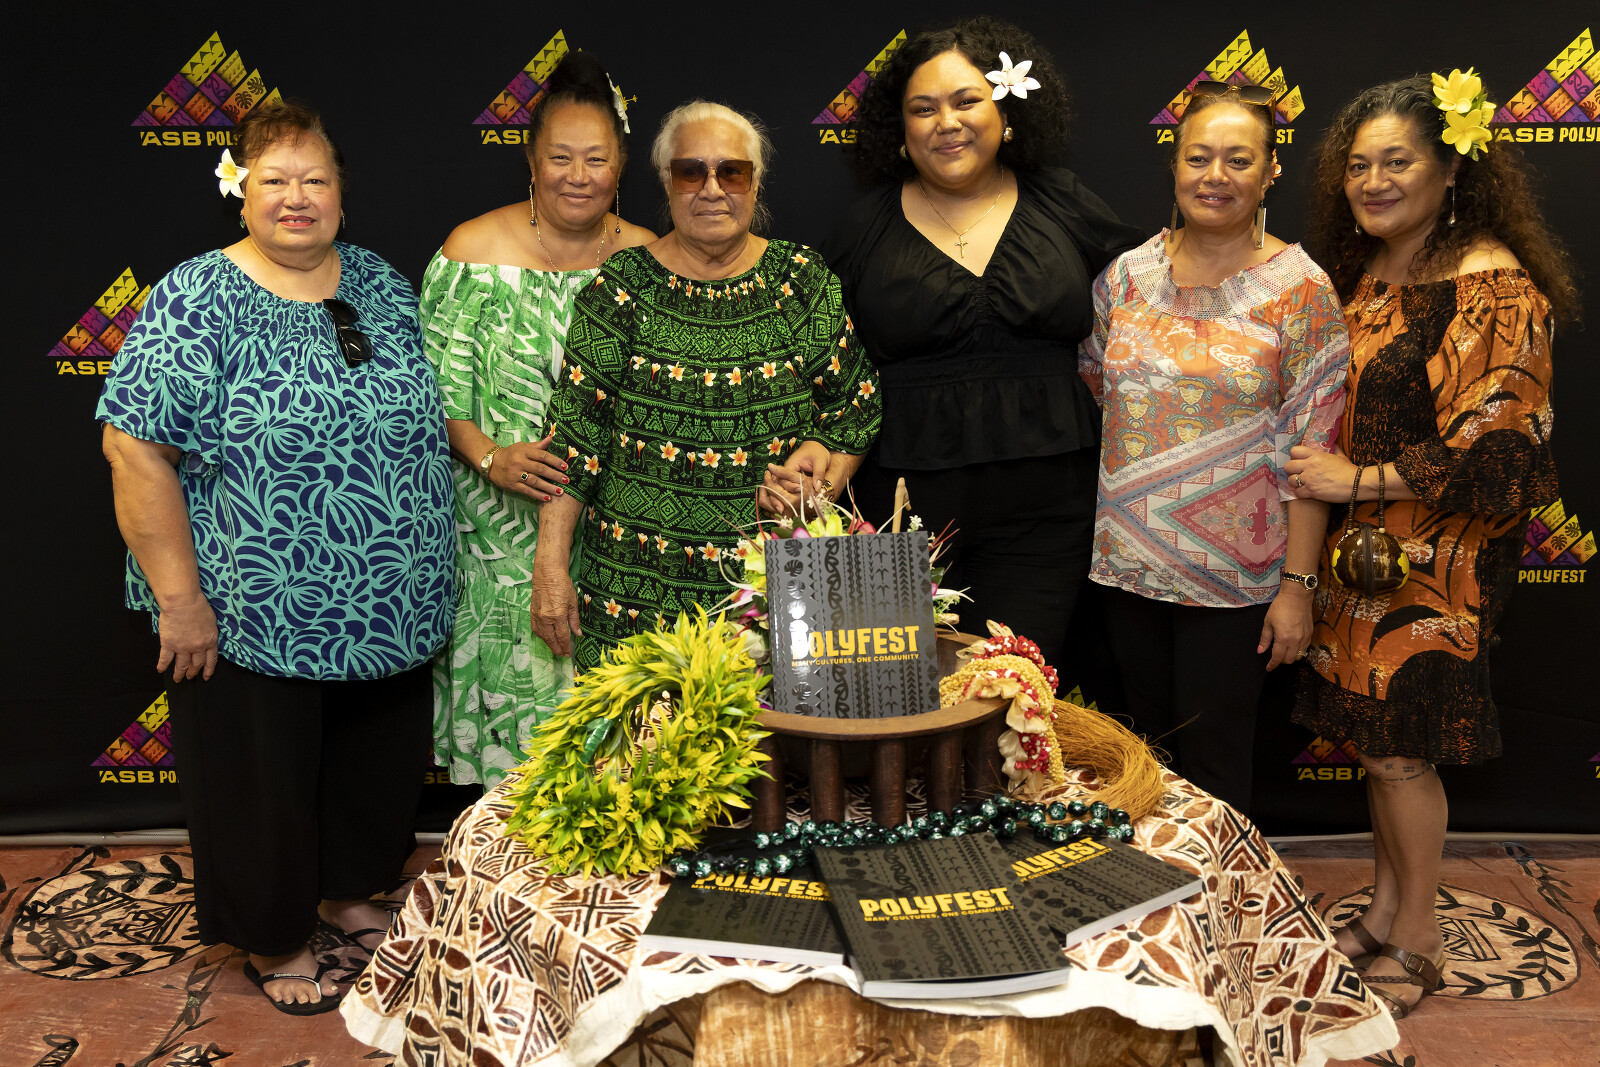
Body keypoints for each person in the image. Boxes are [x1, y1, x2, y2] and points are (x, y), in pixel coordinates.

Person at [97, 102, 455, 1014]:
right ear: (241, 192)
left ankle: (347, 891)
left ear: (341, 192)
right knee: (262, 783)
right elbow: (133, 450)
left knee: (371, 765)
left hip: (388, 598)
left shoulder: (378, 281)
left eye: (315, 180)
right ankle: (275, 933)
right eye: (276, 181)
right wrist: (181, 600)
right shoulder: (197, 295)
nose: (298, 198)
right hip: (254, 607)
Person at [1288, 70, 1571, 1018]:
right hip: (1362, 561)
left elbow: (1502, 454)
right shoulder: (1373, 270)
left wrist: (1355, 482)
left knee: (1404, 753)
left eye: (1397, 162)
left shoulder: (1490, 283)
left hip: (1441, 566)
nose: (1372, 181)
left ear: (1451, 169)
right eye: (1358, 165)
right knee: (1379, 750)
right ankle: (1384, 909)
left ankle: (1420, 937)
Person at [821, 17, 1144, 672]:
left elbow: (1161, 288)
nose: (947, 122)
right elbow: (817, 358)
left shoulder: (1063, 203)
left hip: (1047, 515)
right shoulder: (862, 230)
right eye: (923, 108)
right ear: (900, 129)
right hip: (895, 513)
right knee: (892, 697)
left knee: (1010, 694)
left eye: (966, 100)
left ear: (1005, 112)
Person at [529, 101, 881, 669]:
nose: (712, 189)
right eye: (691, 172)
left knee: (774, 730)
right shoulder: (622, 286)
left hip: (770, 595)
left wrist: (817, 488)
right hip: (632, 596)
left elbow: (855, 410)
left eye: (731, 172)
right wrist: (550, 566)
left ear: (755, 183)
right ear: (667, 183)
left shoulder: (801, 280)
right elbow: (575, 439)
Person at [1077, 83, 1349, 813]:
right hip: (1126, 570)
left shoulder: (1302, 291)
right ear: (1173, 165)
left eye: (1238, 159)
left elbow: (1312, 453)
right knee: (1138, 766)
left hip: (1235, 583)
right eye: (1198, 158)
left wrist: (1298, 586)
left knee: (1213, 769)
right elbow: (1100, 388)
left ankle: (1221, 888)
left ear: (1271, 172)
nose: (1215, 176)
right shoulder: (1126, 278)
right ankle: (1151, 887)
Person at [424, 53, 655, 788]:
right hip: (495, 533)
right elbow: (437, 396)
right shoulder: (470, 251)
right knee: (514, 742)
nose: (577, 175)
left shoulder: (648, 258)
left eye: (596, 158)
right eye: (560, 157)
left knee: (616, 749)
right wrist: (492, 456)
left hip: (616, 529)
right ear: (531, 160)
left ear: (621, 165)